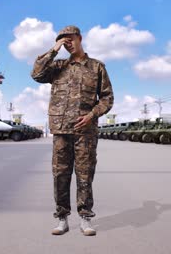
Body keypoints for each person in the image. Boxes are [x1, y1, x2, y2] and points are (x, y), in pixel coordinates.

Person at [31, 25, 114, 236]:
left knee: (85, 175)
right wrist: (54, 49)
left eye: (69, 38)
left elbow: (107, 98)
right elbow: (36, 74)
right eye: (62, 40)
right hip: (61, 130)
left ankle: (85, 218)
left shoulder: (96, 67)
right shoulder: (57, 66)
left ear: (79, 37)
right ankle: (62, 218)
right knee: (60, 175)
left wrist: (91, 115)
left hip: (85, 132)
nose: (67, 43)